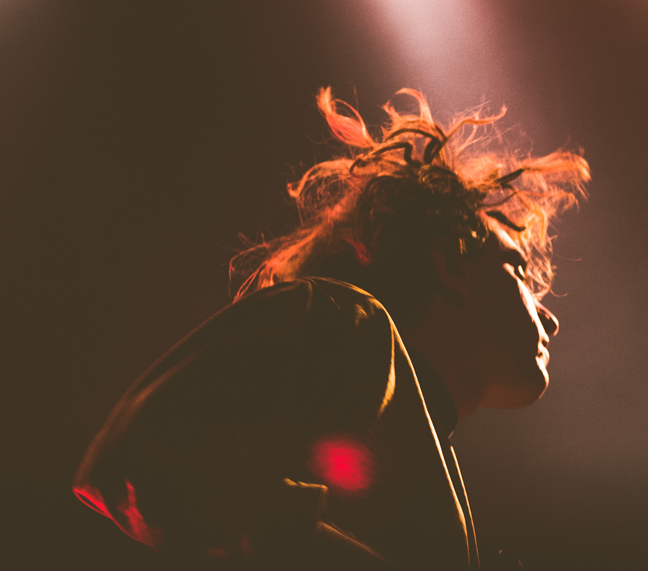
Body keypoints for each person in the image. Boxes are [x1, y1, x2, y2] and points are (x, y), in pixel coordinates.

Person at [73, 88, 590, 568]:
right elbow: (141, 454)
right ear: (451, 266)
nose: (551, 316)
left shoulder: (417, 432)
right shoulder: (348, 320)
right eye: (518, 270)